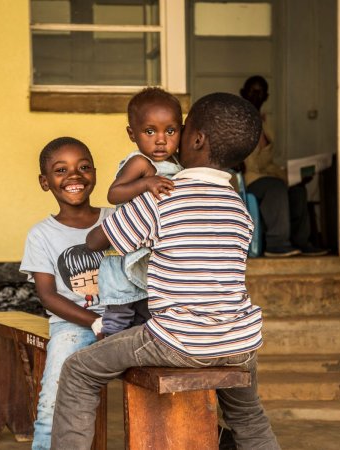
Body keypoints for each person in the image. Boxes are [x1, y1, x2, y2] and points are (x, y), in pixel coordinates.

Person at [50, 93, 280, 450]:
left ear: (197, 140)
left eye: (180, 131)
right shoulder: (239, 206)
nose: (168, 141)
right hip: (239, 341)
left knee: (79, 370)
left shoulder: (164, 193)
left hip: (176, 339)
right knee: (248, 416)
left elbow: (98, 240)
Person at [19, 137, 114, 450]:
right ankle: (46, 444)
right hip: (72, 325)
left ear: (95, 174)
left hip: (123, 319)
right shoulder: (41, 235)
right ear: (45, 182)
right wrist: (95, 322)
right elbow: (48, 297)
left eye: (83, 167)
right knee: (55, 396)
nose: (75, 175)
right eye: (61, 170)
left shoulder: (116, 219)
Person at [93, 87, 183, 337]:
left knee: (145, 317)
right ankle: (104, 355)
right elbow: (114, 194)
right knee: (120, 314)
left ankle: (133, 369)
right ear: (132, 134)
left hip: (150, 255)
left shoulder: (177, 164)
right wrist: (146, 183)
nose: (161, 139)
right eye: (150, 131)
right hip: (125, 252)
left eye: (171, 131)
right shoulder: (141, 163)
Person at [240, 75, 328, 257]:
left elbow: (267, 161)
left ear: (266, 96)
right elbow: (250, 163)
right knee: (275, 187)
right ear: (243, 93)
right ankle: (276, 243)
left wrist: (295, 176)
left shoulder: (264, 123)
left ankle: (301, 242)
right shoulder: (236, 119)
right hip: (249, 178)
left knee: (298, 190)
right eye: (252, 90)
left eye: (261, 91)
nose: (256, 94)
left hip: (267, 175)